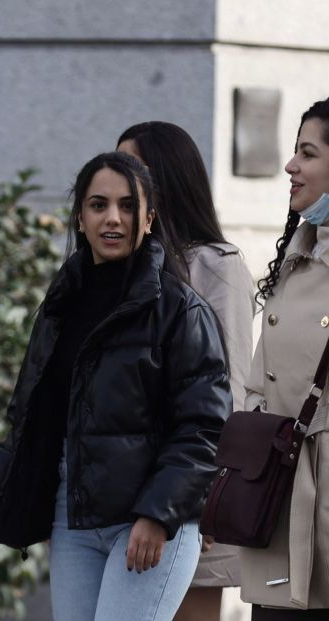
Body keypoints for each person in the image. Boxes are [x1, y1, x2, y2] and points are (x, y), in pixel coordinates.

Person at [0, 152, 231, 621]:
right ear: (80, 215)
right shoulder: (61, 306)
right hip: (74, 522)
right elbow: (32, 424)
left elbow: (203, 427)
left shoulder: (180, 309)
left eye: (127, 206)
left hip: (152, 522)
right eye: (98, 204)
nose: (113, 218)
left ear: (149, 218)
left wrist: (157, 513)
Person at [117, 121, 257, 620]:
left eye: (134, 169)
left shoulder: (215, 266)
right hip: (120, 495)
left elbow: (232, 387)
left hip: (190, 490)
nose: (120, 183)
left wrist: (208, 495)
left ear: (168, 180)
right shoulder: (119, 266)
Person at [241, 97, 329, 620]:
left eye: (308, 153)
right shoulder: (297, 256)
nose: (290, 166)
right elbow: (262, 378)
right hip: (280, 499)